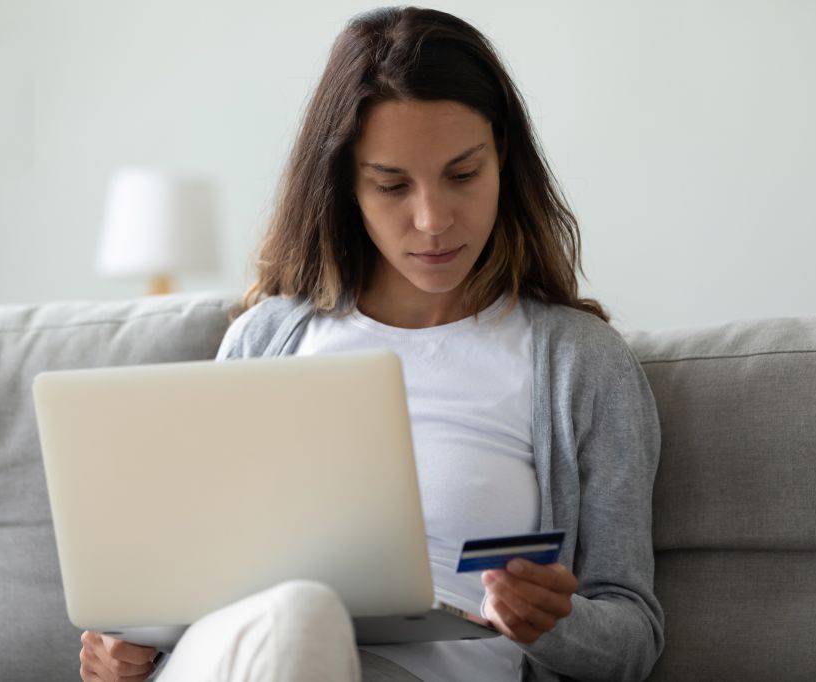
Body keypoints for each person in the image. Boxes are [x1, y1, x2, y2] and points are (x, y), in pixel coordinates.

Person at [79, 6, 663, 681]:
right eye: (391, 185)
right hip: (249, 658)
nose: (433, 219)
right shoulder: (267, 339)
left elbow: (633, 637)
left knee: (299, 621)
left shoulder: (578, 362)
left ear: (502, 160)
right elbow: (196, 575)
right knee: (296, 616)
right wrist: (129, 655)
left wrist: (557, 625)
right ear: (346, 186)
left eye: (463, 175)